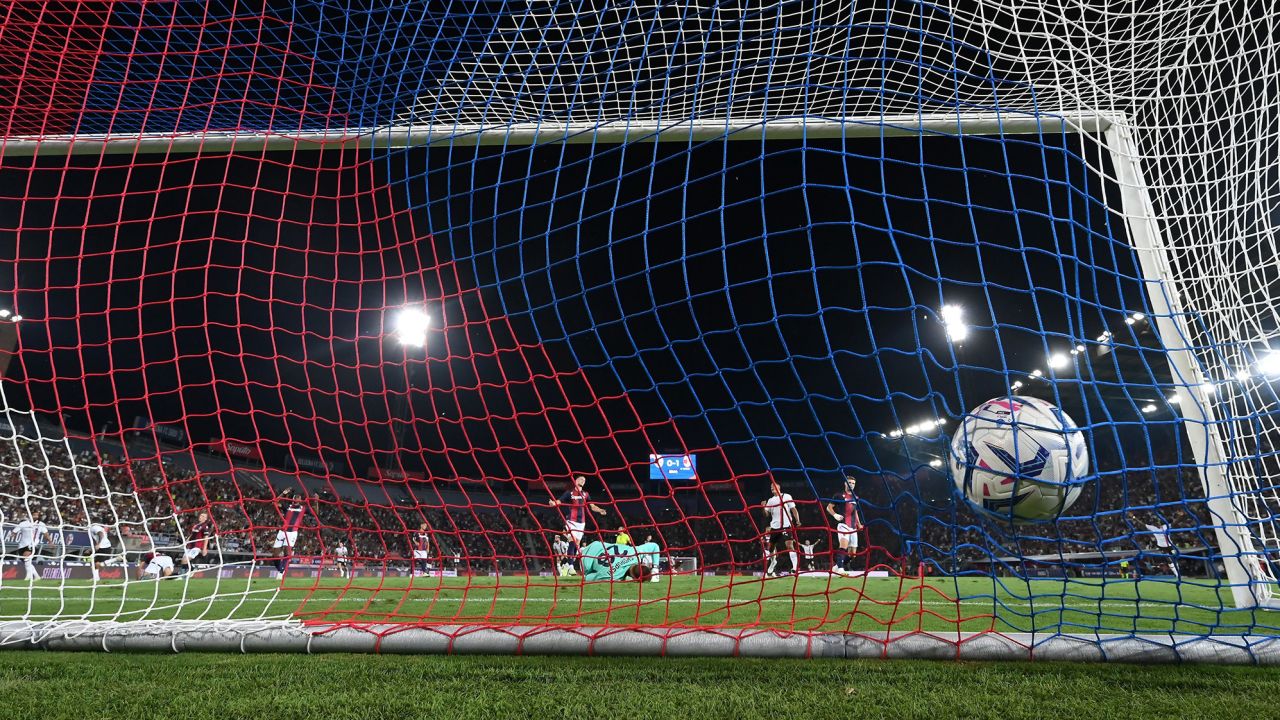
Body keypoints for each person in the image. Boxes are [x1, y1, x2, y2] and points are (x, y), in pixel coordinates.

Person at [549, 475, 607, 572]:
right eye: (581, 479)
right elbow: (559, 501)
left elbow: (592, 506)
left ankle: (567, 564)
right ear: (575, 481)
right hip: (571, 521)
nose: (583, 480)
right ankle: (571, 567)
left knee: (576, 545)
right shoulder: (569, 493)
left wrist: (600, 510)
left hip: (581, 523)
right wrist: (554, 503)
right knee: (572, 541)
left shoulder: (586, 494)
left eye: (584, 480)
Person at [761, 477, 800, 576]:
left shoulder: (786, 496)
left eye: (774, 486)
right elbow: (766, 514)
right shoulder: (770, 500)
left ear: (779, 487)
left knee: (789, 545)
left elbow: (793, 509)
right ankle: (773, 562)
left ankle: (795, 568)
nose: (772, 488)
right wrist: (763, 507)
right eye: (771, 487)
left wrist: (797, 520)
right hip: (775, 527)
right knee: (771, 549)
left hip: (786, 525)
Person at [825, 475, 862, 576]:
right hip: (843, 525)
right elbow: (829, 507)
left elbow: (855, 512)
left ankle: (837, 566)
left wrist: (859, 523)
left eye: (853, 483)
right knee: (843, 547)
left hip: (853, 527)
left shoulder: (856, 497)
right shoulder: (839, 495)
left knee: (852, 554)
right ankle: (841, 569)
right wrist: (835, 515)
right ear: (845, 483)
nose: (851, 485)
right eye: (849, 482)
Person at [269, 488, 308, 574]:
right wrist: (283, 493)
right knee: (275, 554)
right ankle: (280, 569)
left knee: (287, 553)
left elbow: (315, 512)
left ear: (300, 500)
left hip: (292, 533)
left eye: (299, 498)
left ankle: (281, 572)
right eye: (296, 497)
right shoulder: (287, 506)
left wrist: (316, 502)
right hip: (282, 532)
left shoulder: (303, 508)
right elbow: (274, 502)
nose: (297, 499)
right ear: (293, 499)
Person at [578, 540, 651, 582]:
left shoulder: (636, 553)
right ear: (634, 578)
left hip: (597, 544)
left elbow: (654, 546)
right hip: (585, 558)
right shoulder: (613, 576)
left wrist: (655, 567)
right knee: (586, 570)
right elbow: (588, 577)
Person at [12, 512, 51, 581]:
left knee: (27, 559)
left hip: (32, 544)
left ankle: (28, 577)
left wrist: (50, 541)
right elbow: (15, 531)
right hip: (22, 545)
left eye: (37, 515)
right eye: (34, 515)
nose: (35, 516)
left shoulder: (41, 524)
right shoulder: (23, 524)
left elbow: (46, 534)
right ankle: (37, 576)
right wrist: (13, 535)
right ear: (30, 516)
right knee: (27, 562)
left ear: (39, 516)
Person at [182, 511, 213, 575]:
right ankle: (187, 572)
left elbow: (206, 537)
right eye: (201, 515)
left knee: (185, 560)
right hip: (190, 546)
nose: (201, 517)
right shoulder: (196, 525)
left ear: (206, 519)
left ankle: (187, 572)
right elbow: (192, 534)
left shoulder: (205, 526)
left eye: (203, 516)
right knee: (183, 561)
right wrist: (186, 541)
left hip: (197, 546)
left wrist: (204, 548)